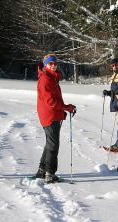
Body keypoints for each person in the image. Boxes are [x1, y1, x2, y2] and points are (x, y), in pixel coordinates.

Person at [36, 53, 76, 183]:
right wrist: (66, 107)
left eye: (55, 63)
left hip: (51, 114)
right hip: (49, 115)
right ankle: (50, 173)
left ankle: (42, 170)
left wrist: (65, 107)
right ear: (46, 65)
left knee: (50, 143)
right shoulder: (45, 79)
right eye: (50, 63)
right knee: (53, 145)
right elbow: (50, 102)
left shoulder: (51, 77)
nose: (53, 66)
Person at [102, 58, 118, 152]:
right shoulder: (115, 75)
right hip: (116, 103)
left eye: (116, 65)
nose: (114, 67)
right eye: (112, 65)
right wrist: (108, 93)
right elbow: (115, 91)